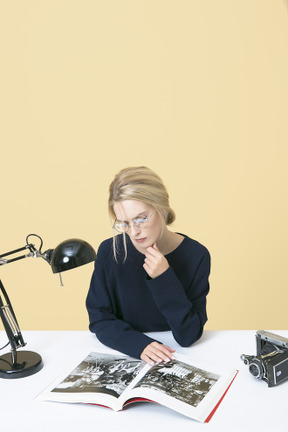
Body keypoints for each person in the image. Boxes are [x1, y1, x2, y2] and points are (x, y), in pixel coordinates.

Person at [86, 166, 210, 366]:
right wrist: (138, 344)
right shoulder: (110, 251)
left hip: (176, 357)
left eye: (141, 218)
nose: (134, 232)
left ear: (162, 208)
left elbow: (188, 335)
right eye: (124, 223)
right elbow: (99, 318)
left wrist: (164, 277)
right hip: (126, 356)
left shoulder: (196, 255)